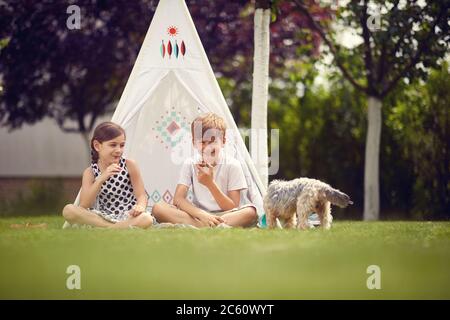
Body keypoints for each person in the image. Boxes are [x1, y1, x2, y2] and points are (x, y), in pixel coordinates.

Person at [152, 113, 257, 228]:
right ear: (194, 143)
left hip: (226, 214)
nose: (207, 147)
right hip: (199, 214)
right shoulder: (190, 164)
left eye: (212, 141)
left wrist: (210, 184)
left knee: (250, 212)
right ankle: (210, 224)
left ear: (223, 142)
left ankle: (202, 225)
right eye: (202, 142)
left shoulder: (233, 165)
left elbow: (232, 207)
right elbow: (178, 199)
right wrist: (202, 215)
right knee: (158, 208)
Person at [62, 121, 153, 229]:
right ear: (97, 146)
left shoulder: (129, 165)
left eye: (122, 145)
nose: (119, 150)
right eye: (113, 145)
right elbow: (84, 205)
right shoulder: (90, 172)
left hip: (128, 216)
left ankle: (110, 228)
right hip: (102, 216)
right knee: (68, 210)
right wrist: (101, 178)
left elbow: (141, 195)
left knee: (146, 219)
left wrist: (140, 206)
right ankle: (113, 227)